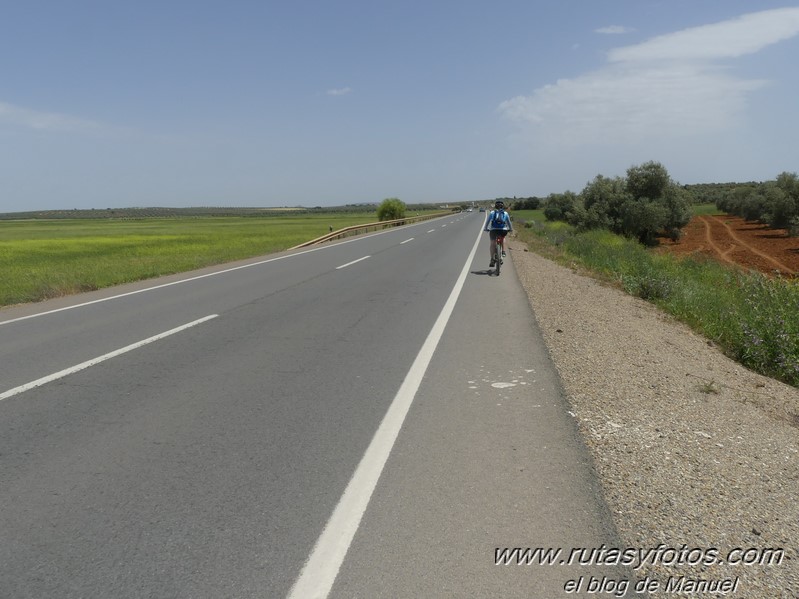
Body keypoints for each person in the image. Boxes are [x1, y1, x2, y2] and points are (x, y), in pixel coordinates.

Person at [484, 200, 513, 267]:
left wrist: (485, 228)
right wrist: (511, 229)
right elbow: (509, 223)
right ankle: (503, 251)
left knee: (492, 244)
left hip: (493, 230)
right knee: (503, 238)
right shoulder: (505, 213)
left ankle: (492, 259)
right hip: (503, 231)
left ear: (495, 206)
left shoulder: (492, 213)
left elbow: (487, 222)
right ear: (502, 206)